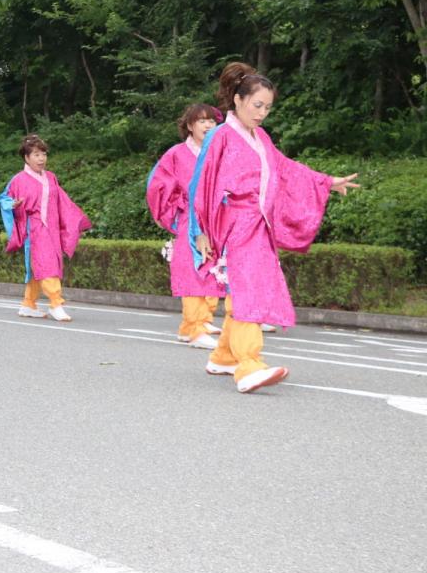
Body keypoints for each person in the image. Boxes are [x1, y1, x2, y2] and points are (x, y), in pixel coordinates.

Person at [191, 63, 359, 393]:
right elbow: (202, 183)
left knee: (245, 290)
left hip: (258, 226)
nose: (263, 113)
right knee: (248, 293)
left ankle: (224, 356)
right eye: (258, 105)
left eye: (268, 107)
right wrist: (200, 230)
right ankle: (249, 365)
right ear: (238, 100)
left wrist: (325, 181)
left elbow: (284, 168)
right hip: (237, 226)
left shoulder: (260, 137)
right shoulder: (220, 136)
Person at [146, 104, 229, 349]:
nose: (207, 125)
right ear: (189, 126)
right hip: (190, 220)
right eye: (201, 121)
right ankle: (194, 329)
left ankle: (195, 324)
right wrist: (176, 207)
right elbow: (157, 186)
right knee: (192, 273)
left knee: (211, 270)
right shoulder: (176, 154)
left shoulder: (220, 153)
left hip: (215, 221)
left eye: (212, 121)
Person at [0, 135, 92, 322]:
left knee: (39, 267)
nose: (41, 158)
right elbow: (3, 199)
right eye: (36, 154)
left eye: (43, 154)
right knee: (47, 265)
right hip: (35, 229)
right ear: (26, 157)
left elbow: (62, 202)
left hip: (52, 228)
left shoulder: (51, 177)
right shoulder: (18, 179)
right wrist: (12, 204)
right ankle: (56, 303)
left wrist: (75, 221)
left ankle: (28, 304)